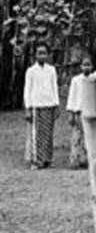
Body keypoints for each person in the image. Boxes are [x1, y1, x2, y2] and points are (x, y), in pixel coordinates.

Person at [23, 42, 59, 170]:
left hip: (49, 105)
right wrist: (28, 108)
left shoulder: (51, 70)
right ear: (35, 55)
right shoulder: (31, 71)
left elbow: (54, 88)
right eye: (39, 53)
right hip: (36, 106)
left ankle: (47, 159)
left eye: (44, 53)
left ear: (48, 55)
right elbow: (27, 90)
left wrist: (56, 105)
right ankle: (36, 160)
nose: (42, 55)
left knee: (48, 134)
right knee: (36, 134)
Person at [65, 56, 92, 169]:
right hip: (78, 112)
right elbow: (72, 97)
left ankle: (86, 160)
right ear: (81, 67)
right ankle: (75, 160)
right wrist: (71, 113)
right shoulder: (76, 80)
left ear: (92, 66)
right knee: (77, 137)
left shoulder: (95, 79)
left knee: (89, 138)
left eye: (88, 65)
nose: (86, 67)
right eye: (84, 65)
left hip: (91, 113)